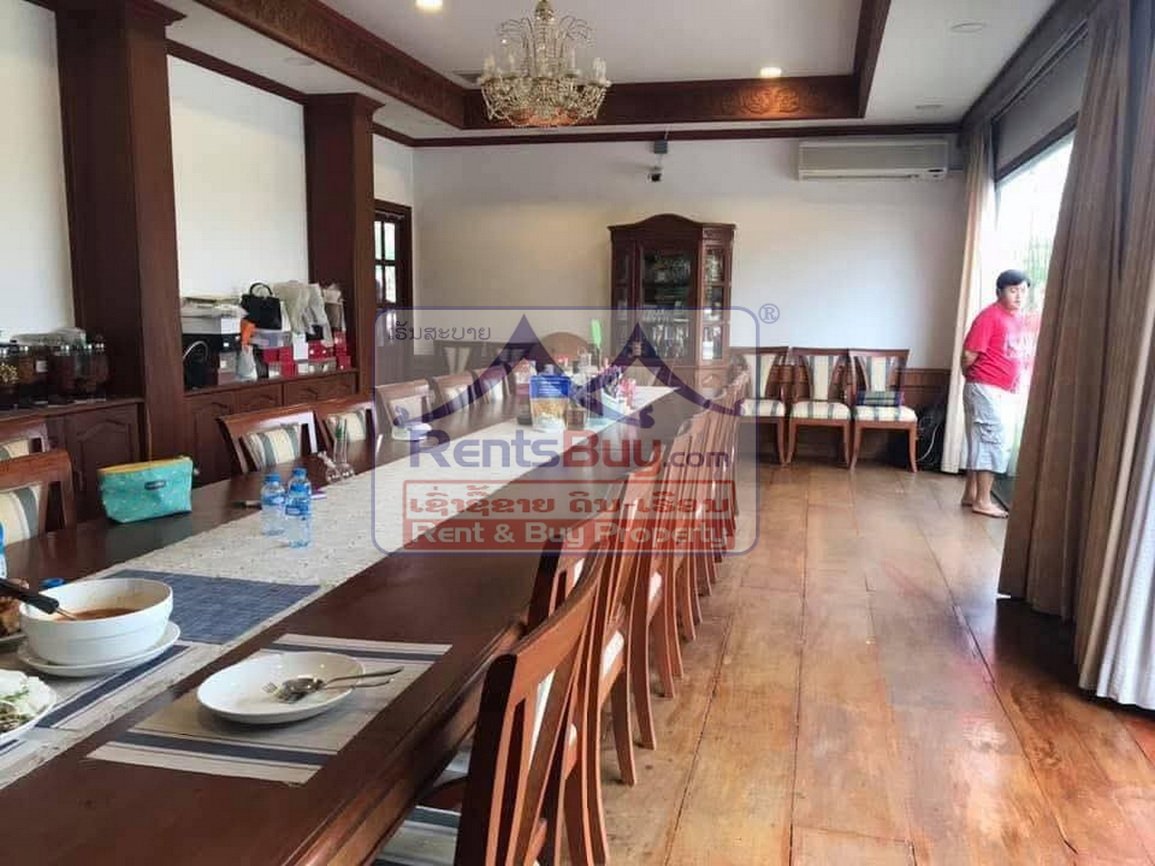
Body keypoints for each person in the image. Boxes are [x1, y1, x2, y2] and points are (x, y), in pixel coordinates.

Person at [960, 269, 1031, 518]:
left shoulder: (1018, 319)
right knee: (992, 441)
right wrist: (972, 377)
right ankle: (982, 500)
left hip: (1003, 390)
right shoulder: (990, 316)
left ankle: (971, 494)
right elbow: (968, 354)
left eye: (1023, 290)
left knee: (981, 441)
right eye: (1013, 290)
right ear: (999, 292)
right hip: (986, 387)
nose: (1019, 295)